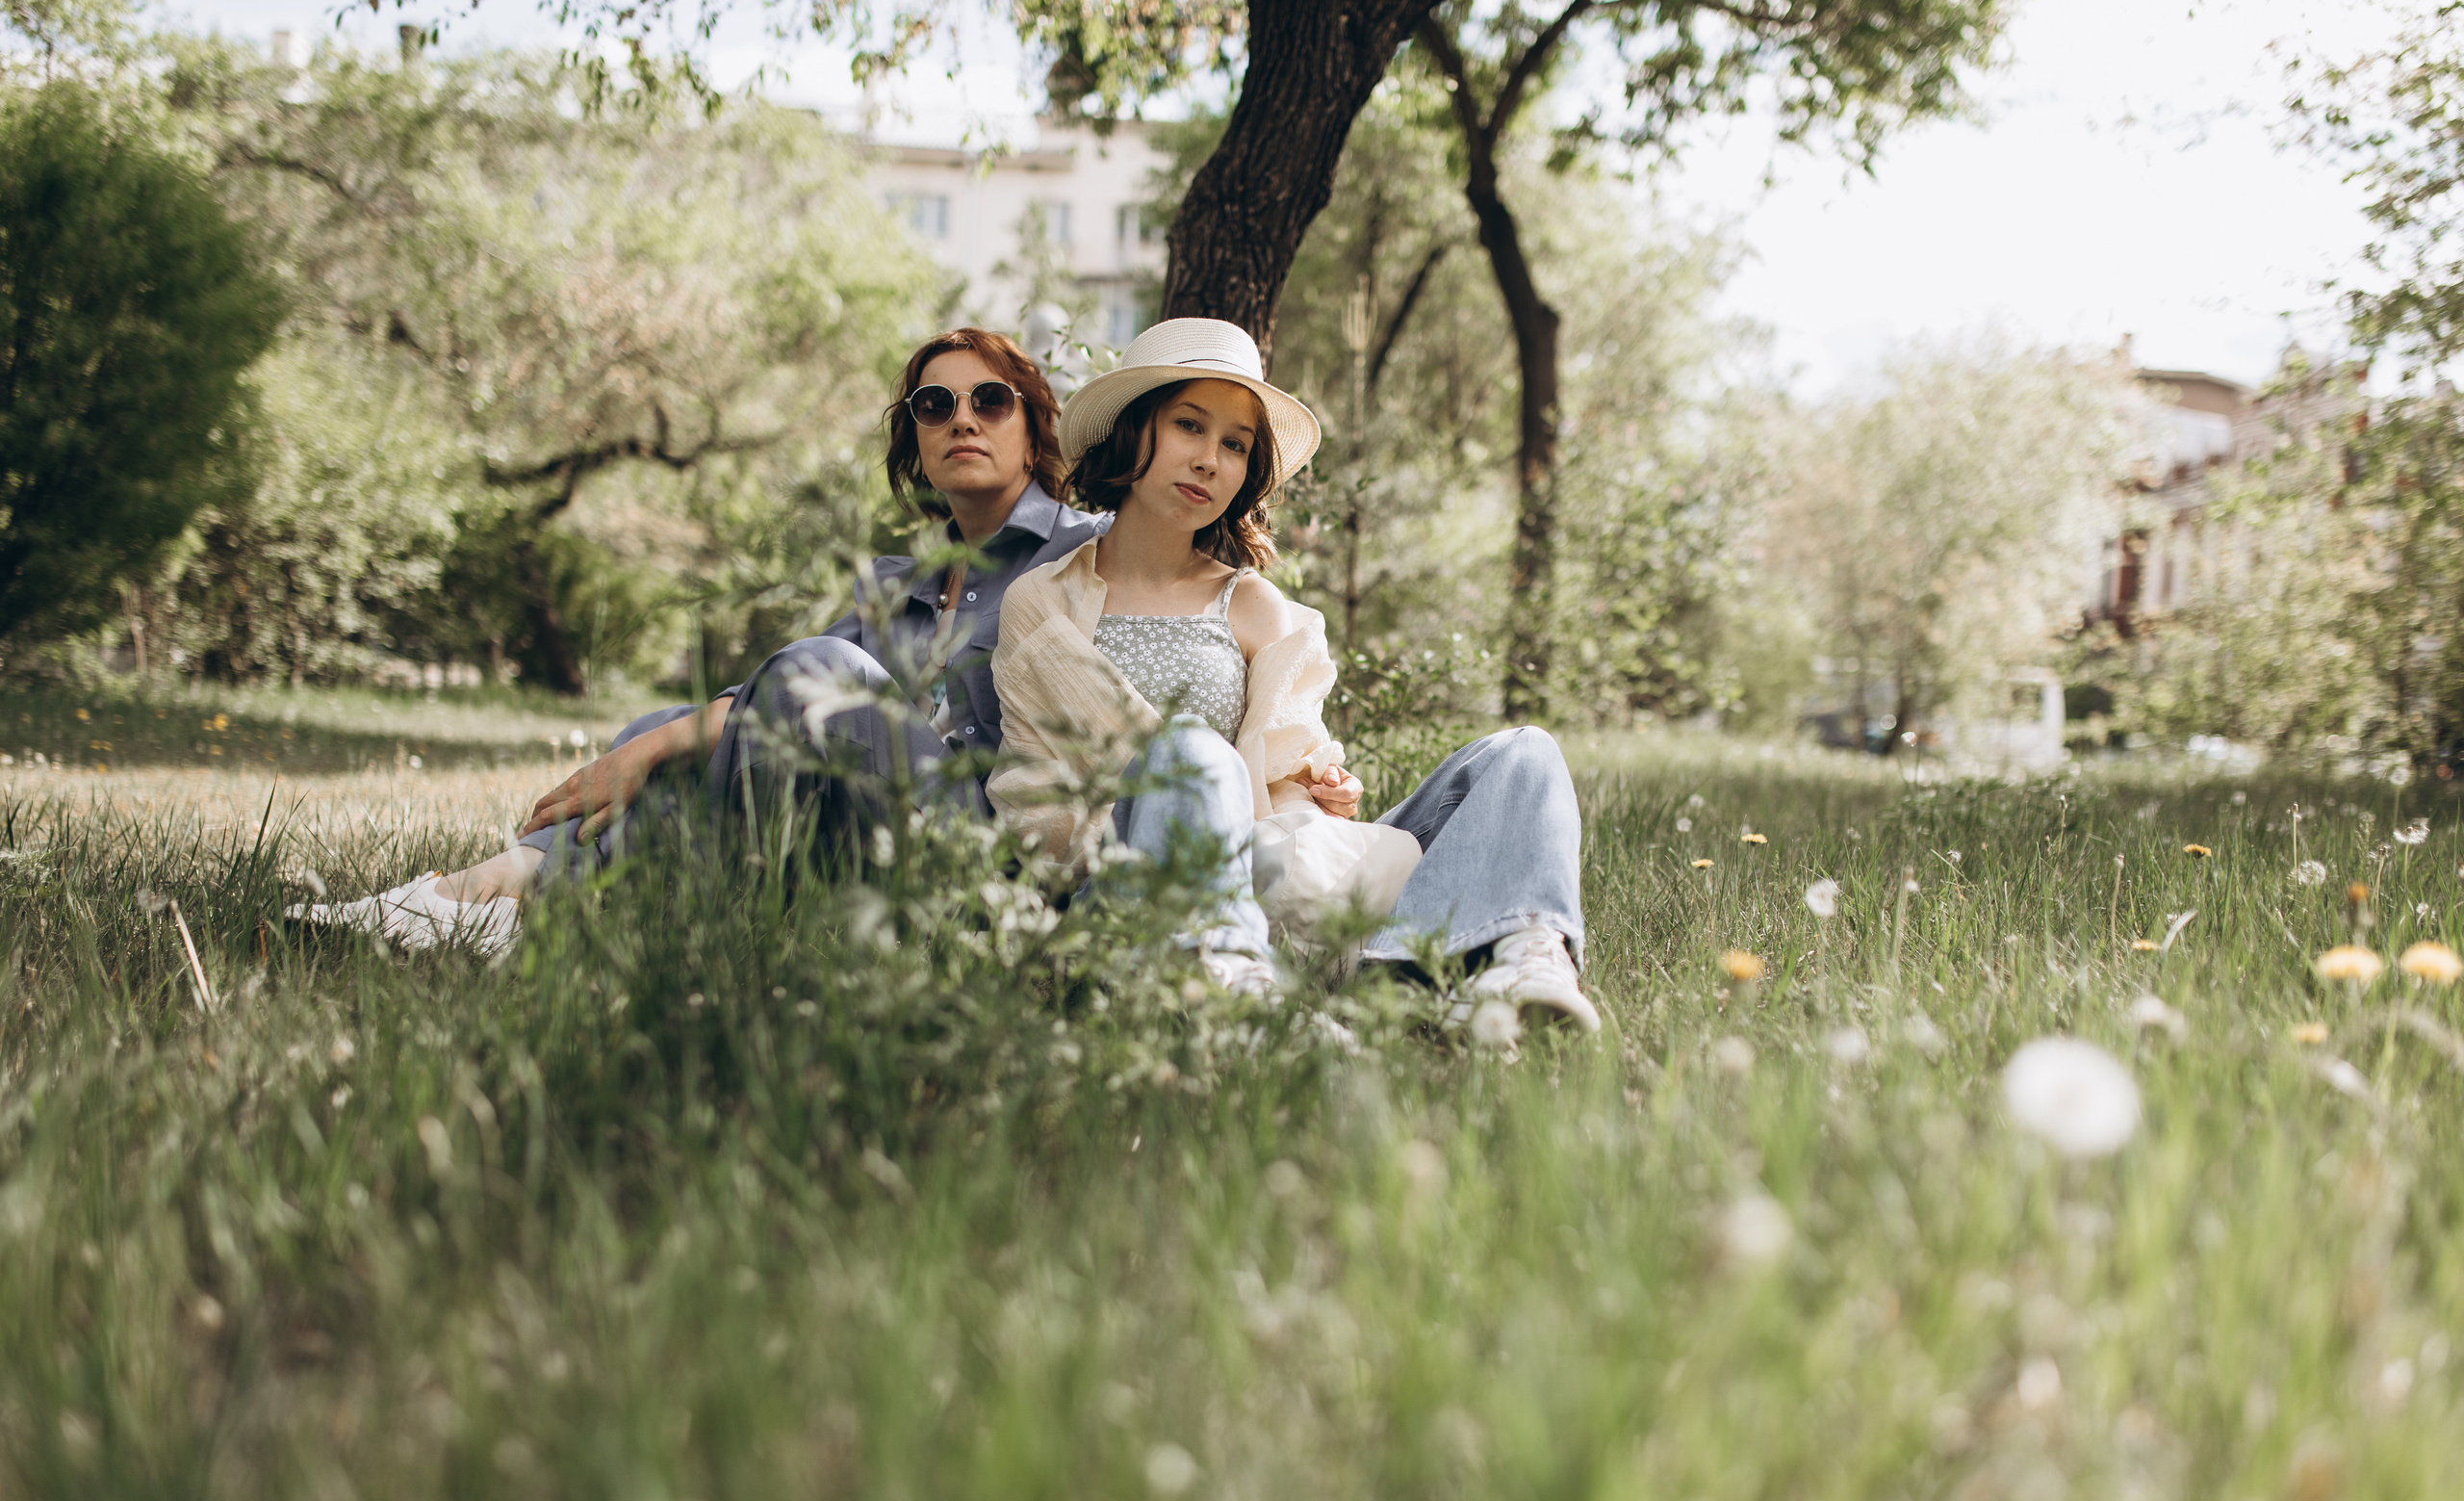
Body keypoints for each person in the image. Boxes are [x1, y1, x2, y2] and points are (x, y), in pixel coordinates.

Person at [293, 327, 1106, 950]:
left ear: (1032, 432)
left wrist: (652, 751)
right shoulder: (898, 582)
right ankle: (496, 890)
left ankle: (524, 901)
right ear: (920, 450)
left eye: (989, 400)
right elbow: (767, 703)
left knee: (759, 697)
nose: (962, 418)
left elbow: (809, 681)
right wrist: (656, 743)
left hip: (987, 866)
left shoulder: (1083, 552)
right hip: (863, 838)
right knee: (666, 728)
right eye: (936, 406)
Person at [988, 319, 1598, 1029]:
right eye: (1190, 425)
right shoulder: (1043, 603)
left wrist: (1315, 793)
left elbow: (1283, 777)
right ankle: (1226, 980)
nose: (1210, 460)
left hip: (1270, 883)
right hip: (1131, 893)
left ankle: (1516, 954)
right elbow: (1036, 814)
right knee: (1189, 750)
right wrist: (1187, 789)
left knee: (1524, 754)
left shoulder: (1253, 605)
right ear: (1132, 431)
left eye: (1235, 445)